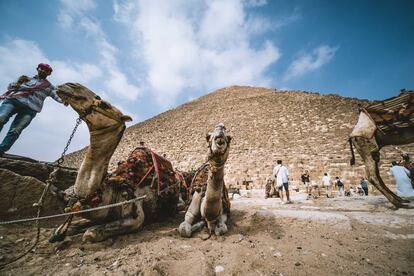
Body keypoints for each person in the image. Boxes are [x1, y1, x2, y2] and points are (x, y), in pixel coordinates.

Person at [0, 63, 66, 155]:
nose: (43, 70)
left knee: (16, 130)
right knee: (1, 118)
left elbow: (56, 96)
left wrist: (65, 101)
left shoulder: (49, 87)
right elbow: (10, 87)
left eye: (46, 70)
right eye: (41, 68)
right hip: (14, 101)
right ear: (37, 69)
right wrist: (19, 83)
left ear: (49, 73)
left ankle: (2, 149)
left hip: (31, 108)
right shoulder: (25, 79)